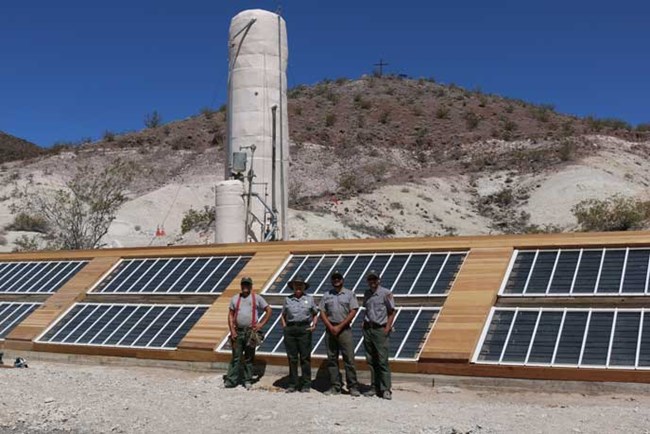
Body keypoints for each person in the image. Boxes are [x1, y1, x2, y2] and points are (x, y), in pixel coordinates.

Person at [224, 276, 272, 389]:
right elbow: (230, 314)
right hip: (238, 331)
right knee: (236, 356)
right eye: (243, 284)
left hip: (251, 332)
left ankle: (247, 380)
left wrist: (261, 324)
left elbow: (269, 310)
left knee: (249, 357)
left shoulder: (257, 298)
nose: (245, 287)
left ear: (251, 286)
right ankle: (231, 380)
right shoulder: (235, 298)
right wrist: (232, 330)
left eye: (247, 284)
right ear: (241, 286)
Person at [319, 270, 360, 396]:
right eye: (334, 279)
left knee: (349, 359)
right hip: (330, 329)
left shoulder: (349, 294)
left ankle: (352, 386)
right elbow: (322, 312)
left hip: (344, 330)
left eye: (338, 278)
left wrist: (340, 326)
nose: (336, 280)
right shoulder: (326, 295)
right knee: (332, 359)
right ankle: (335, 386)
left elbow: (353, 311)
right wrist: (330, 326)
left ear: (342, 280)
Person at [281, 275, 319, 393]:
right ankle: (293, 384)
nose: (298, 287)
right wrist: (285, 327)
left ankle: (306, 384)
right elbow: (283, 315)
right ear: (292, 286)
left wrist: (314, 325)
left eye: (300, 285)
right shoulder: (287, 299)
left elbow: (315, 313)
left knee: (305, 357)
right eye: (296, 285)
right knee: (292, 358)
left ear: (304, 287)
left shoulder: (310, 299)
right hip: (291, 330)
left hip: (304, 329)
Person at [362, 270, 396, 400]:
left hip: (380, 330)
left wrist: (387, 327)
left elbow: (392, 311)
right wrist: (363, 323)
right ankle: (374, 386)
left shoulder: (386, 293)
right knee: (371, 360)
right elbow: (366, 310)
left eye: (374, 279)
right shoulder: (367, 294)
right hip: (368, 329)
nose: (372, 282)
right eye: (370, 280)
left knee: (382, 360)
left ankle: (386, 389)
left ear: (379, 280)